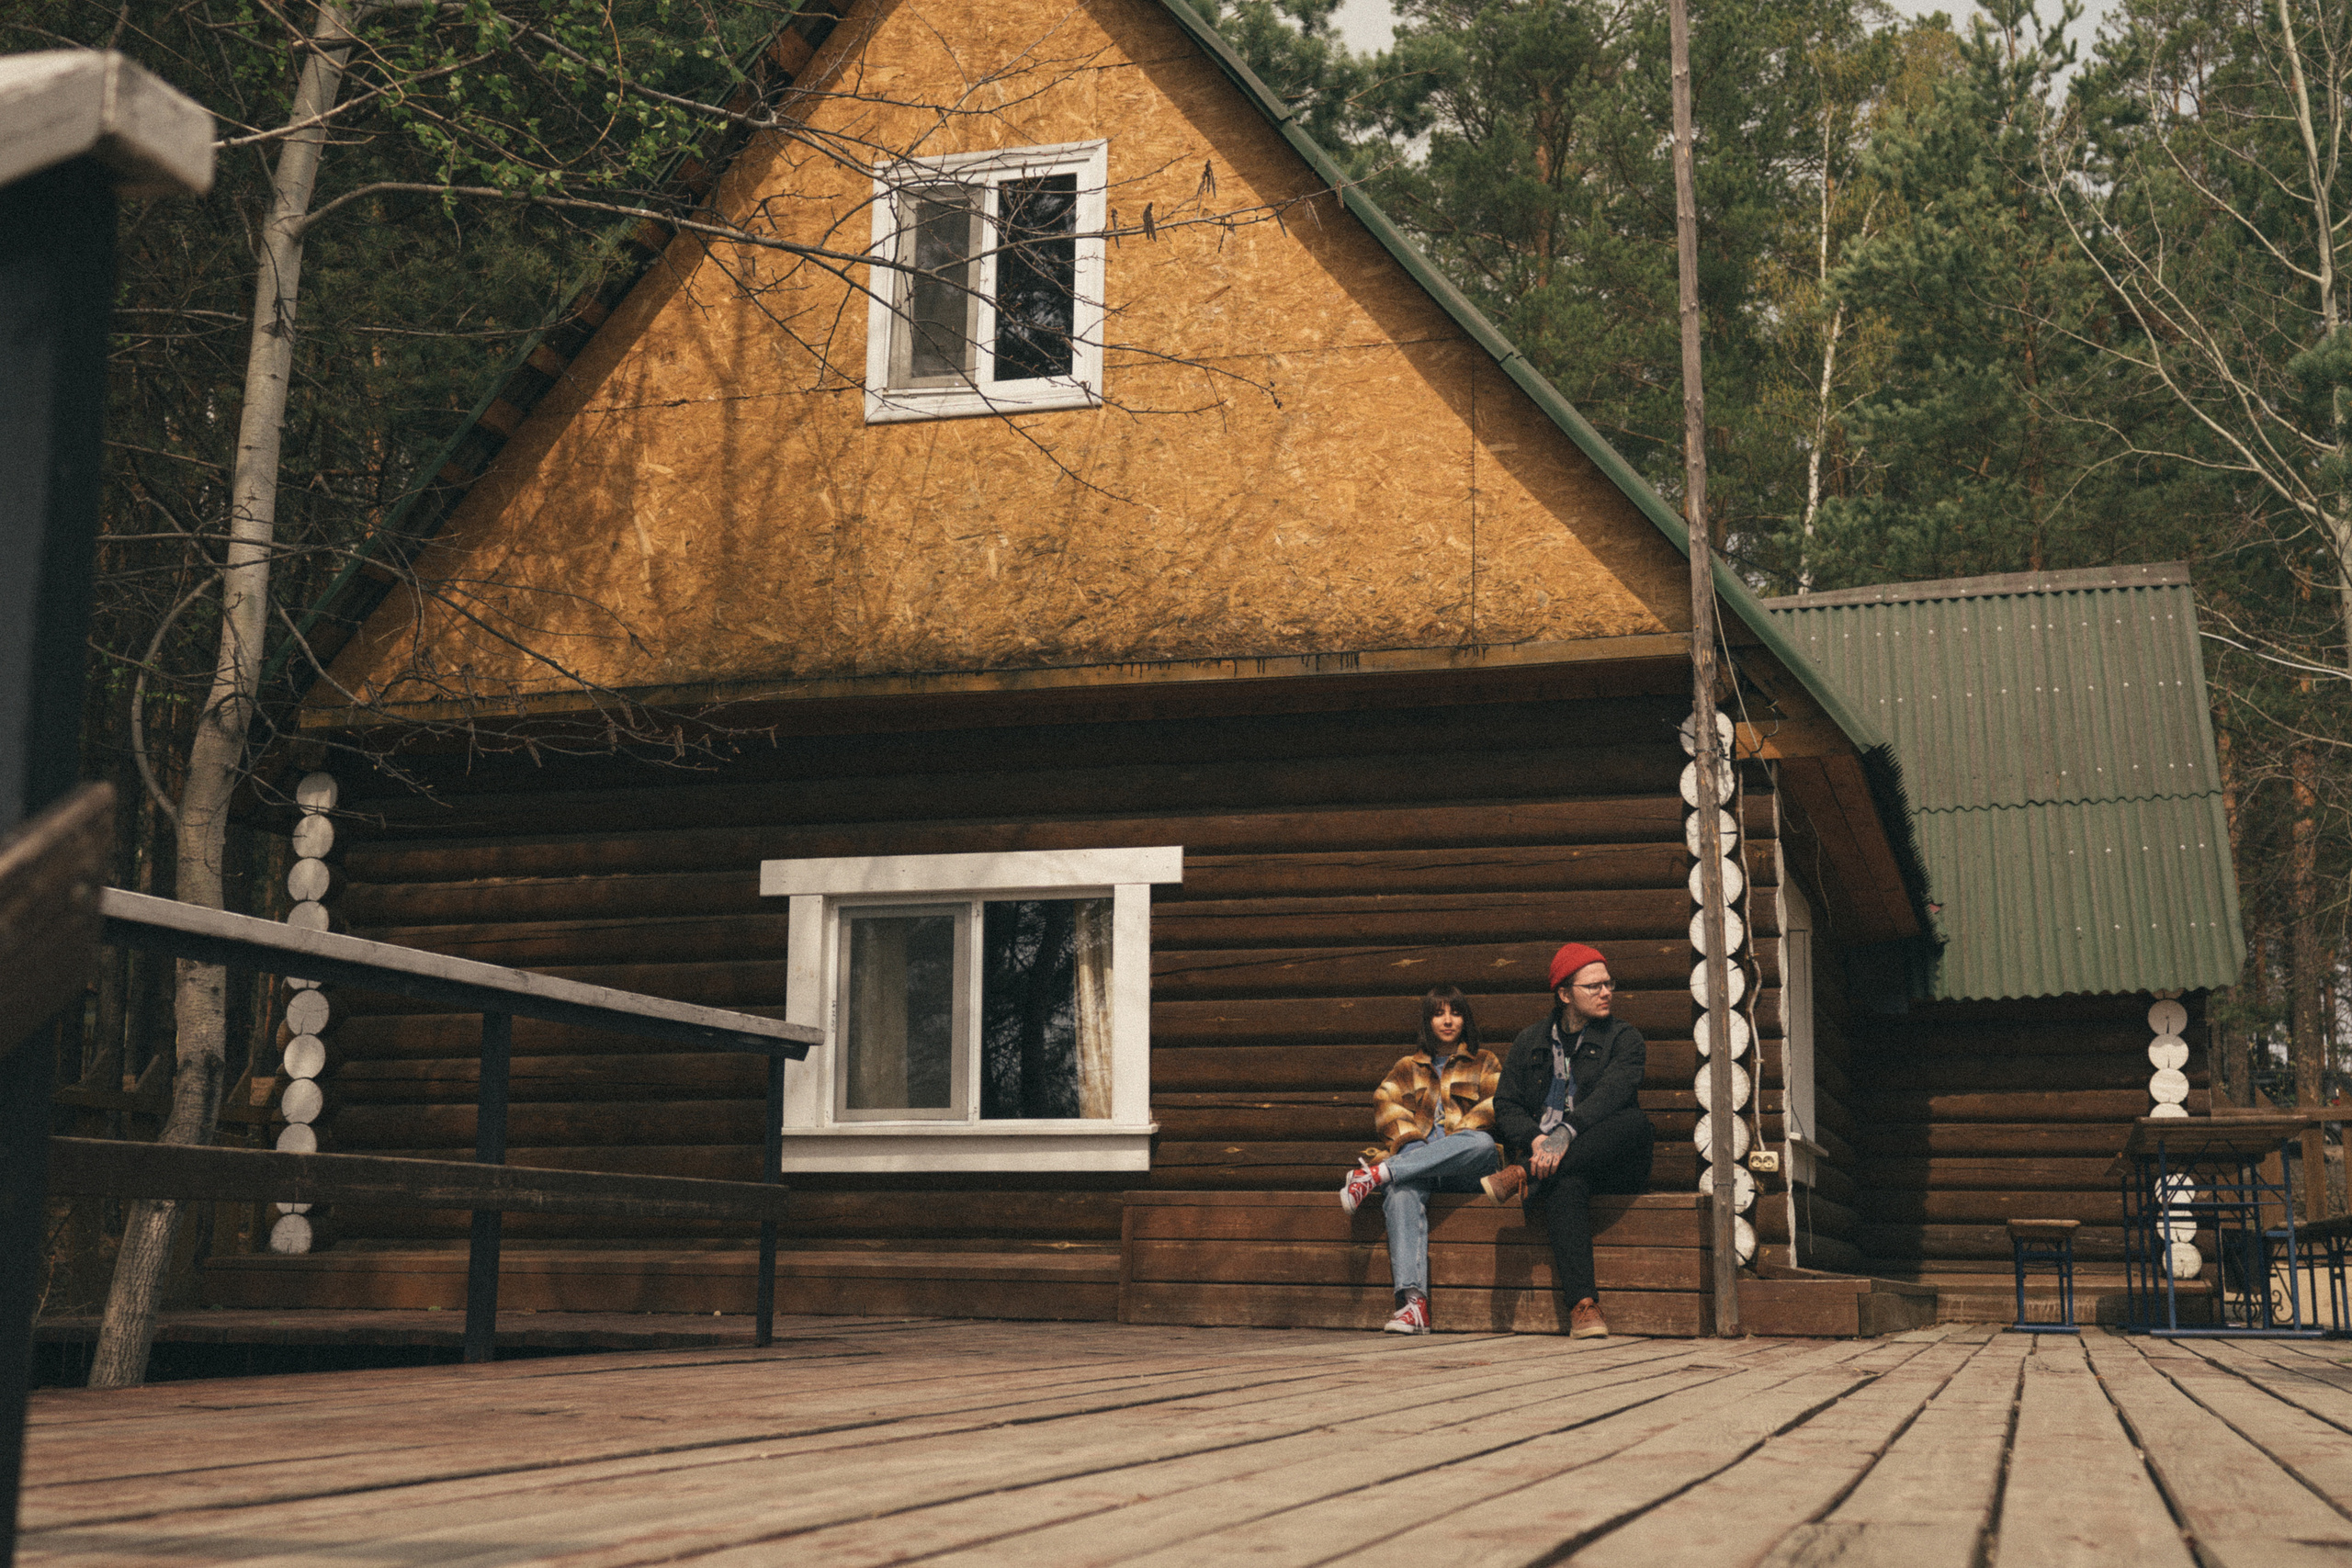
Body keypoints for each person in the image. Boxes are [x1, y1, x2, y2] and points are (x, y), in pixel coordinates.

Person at [1491, 942, 1656, 1339]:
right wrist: (1535, 1139)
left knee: (1635, 1122)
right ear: (1565, 994)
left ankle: (1525, 1174)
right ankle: (1583, 1306)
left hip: (1611, 1162)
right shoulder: (1529, 1042)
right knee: (1565, 1182)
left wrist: (1564, 1134)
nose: (1606, 992)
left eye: (1608, 983)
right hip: (1561, 1168)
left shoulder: (1625, 1039)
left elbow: (1611, 1096)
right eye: (1594, 986)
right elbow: (1506, 1104)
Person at [1337, 987, 1504, 1334]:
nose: (1447, 1020)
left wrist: (1453, 1142)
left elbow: (1494, 1105)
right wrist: (1413, 1145)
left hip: (1468, 1168)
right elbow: (1385, 1102)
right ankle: (1413, 1306)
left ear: (1464, 1019)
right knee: (1400, 1192)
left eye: (1455, 1013)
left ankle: (1378, 1174)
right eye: (1438, 1013)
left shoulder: (1484, 1061)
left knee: (1484, 1143)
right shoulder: (1406, 1068)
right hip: (1419, 1166)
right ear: (1428, 1021)